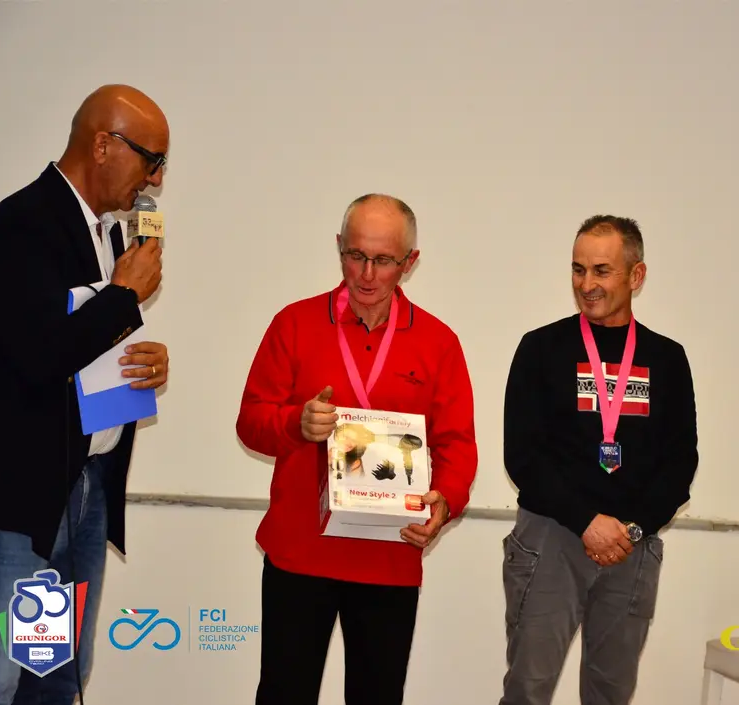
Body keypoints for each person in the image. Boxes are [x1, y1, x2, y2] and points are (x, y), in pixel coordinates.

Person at [0, 84, 171, 705]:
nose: (156, 180)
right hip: (19, 502)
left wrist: (144, 362)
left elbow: (83, 345)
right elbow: (35, 355)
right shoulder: (24, 222)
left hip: (81, 490)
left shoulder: (108, 234)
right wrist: (123, 298)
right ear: (103, 145)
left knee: (51, 674)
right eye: (151, 160)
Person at [236, 193, 479, 705]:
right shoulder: (294, 323)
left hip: (390, 555)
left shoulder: (439, 342)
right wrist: (295, 423)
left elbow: (457, 444)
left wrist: (445, 502)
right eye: (356, 255)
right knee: (282, 694)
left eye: (384, 260)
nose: (367, 274)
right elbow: (251, 422)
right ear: (339, 247)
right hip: (300, 554)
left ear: (410, 262)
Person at [499, 215, 699, 705]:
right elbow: (522, 456)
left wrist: (632, 529)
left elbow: (680, 462)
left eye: (602, 270)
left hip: (632, 544)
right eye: (578, 269)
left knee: (611, 693)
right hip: (552, 537)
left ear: (636, 275)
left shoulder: (667, 359)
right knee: (528, 688)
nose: (586, 284)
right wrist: (587, 522)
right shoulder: (540, 348)